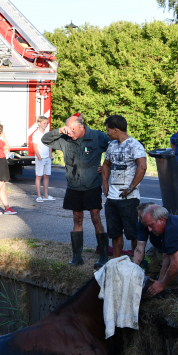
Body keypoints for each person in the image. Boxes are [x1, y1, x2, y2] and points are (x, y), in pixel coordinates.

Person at [42, 113, 111, 269]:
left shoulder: (97, 136)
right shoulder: (66, 138)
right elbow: (45, 139)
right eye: (68, 130)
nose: (70, 133)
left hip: (92, 185)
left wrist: (107, 166)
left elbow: (114, 149)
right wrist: (60, 130)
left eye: (73, 130)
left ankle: (104, 258)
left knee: (95, 218)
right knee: (77, 220)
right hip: (74, 186)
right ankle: (77, 258)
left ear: (82, 127)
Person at [102, 115, 147, 258]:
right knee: (114, 233)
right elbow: (106, 164)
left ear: (116, 130)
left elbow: (142, 167)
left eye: (108, 130)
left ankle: (136, 264)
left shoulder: (135, 145)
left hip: (129, 199)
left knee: (133, 234)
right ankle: (116, 262)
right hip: (112, 198)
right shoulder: (112, 145)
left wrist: (131, 187)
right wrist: (104, 183)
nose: (107, 133)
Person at [33, 116, 54, 202]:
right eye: (44, 123)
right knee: (39, 176)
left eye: (47, 123)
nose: (46, 125)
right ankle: (39, 196)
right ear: (39, 123)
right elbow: (35, 146)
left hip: (47, 158)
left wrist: (50, 155)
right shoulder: (36, 134)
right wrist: (39, 157)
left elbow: (50, 144)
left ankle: (46, 195)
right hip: (40, 158)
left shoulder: (47, 133)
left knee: (47, 176)